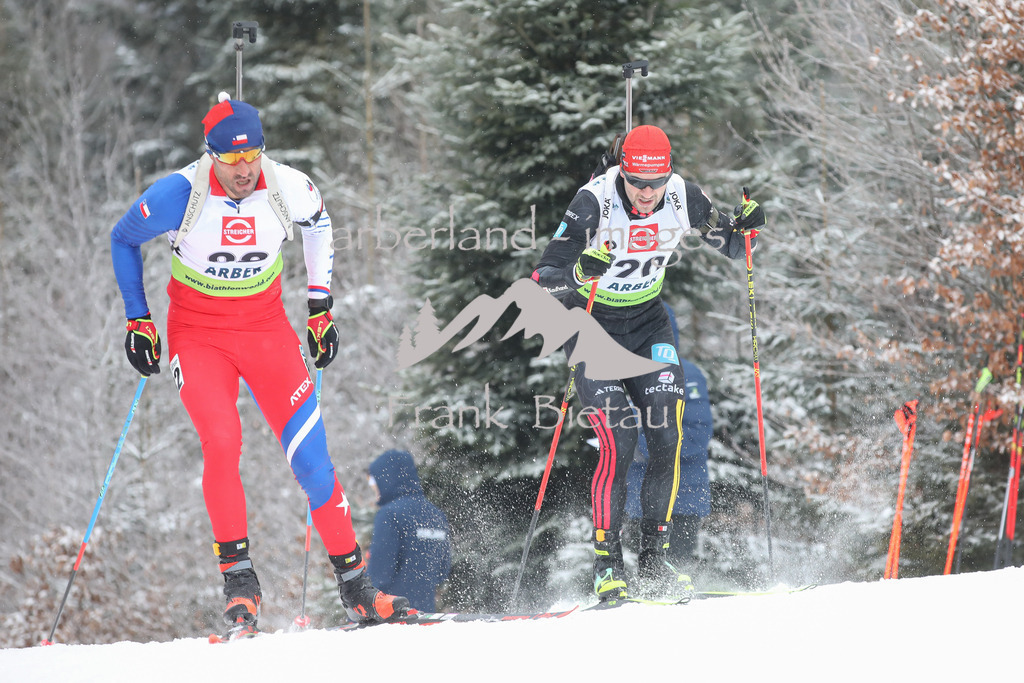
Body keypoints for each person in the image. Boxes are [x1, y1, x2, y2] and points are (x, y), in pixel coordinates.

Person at [110, 92, 409, 633]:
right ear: (211, 156)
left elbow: (319, 224)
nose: (244, 171)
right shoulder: (180, 193)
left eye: (252, 158)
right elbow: (123, 238)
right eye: (231, 161)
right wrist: (139, 319)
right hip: (198, 335)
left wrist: (320, 307)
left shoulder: (288, 186)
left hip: (266, 330)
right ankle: (240, 585)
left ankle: (358, 589)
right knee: (222, 442)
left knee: (313, 459)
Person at [531, 124, 764, 602]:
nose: (646, 193)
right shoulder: (593, 201)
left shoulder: (683, 197)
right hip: (593, 327)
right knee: (619, 439)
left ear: (668, 176)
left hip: (649, 325)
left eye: (655, 183)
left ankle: (655, 561)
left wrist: (748, 227)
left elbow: (736, 246)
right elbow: (543, 279)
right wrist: (577, 272)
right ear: (623, 172)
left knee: (667, 434)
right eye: (637, 182)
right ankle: (607, 565)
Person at [625, 355, 712, 564]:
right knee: (642, 572)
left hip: (680, 497)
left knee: (673, 567)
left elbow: (697, 433)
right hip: (638, 498)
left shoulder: (685, 372)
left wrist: (639, 447)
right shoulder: (625, 369)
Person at [367, 449, 452, 612]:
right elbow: (442, 572)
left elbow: (379, 575)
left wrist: (357, 612)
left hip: (390, 617)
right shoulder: (436, 514)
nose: (375, 488)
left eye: (375, 481)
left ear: (387, 479)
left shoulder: (390, 514)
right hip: (425, 615)